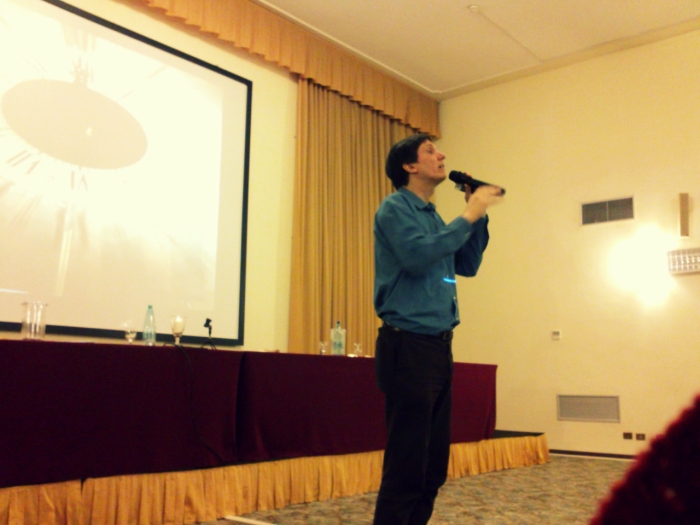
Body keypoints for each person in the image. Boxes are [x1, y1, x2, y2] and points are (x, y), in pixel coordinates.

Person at [372, 133, 503, 525]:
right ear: (410, 166)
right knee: (407, 467)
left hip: (437, 348)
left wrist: (478, 215)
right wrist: (468, 215)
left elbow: (467, 264)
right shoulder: (395, 208)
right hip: (407, 347)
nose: (441, 154)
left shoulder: (432, 218)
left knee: (432, 469)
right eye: (430, 150)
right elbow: (417, 256)